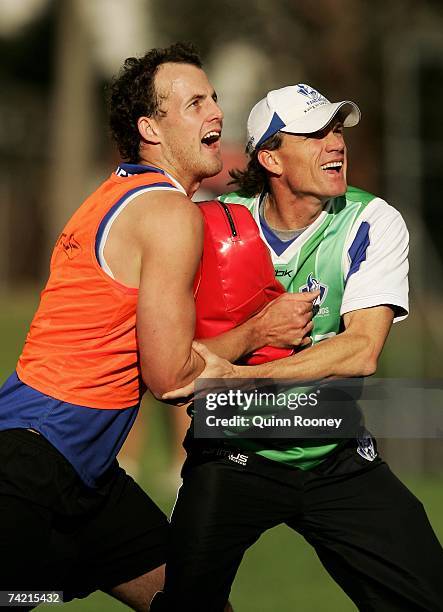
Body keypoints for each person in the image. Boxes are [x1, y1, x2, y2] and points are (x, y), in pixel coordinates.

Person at [0, 46, 314, 610]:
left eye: (213, 98)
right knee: (23, 597)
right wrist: (258, 333)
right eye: (194, 103)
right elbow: (170, 378)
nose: (215, 112)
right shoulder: (168, 213)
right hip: (31, 464)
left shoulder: (113, 194)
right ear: (150, 128)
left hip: (86, 475)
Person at [159, 84, 443, 611]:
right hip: (232, 453)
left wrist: (236, 377)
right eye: (314, 134)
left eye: (336, 130)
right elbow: (175, 354)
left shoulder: (372, 221)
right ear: (270, 157)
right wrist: (255, 335)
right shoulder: (214, 223)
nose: (334, 143)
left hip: (333, 453)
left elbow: (360, 351)